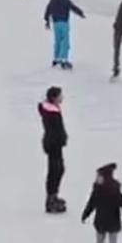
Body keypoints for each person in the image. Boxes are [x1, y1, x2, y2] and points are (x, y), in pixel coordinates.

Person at [39, 85, 68, 214]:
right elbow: (55, 130)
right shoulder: (52, 113)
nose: (62, 98)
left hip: (54, 144)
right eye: (60, 96)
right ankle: (51, 200)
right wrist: (62, 138)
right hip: (54, 144)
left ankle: (53, 195)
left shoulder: (52, 110)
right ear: (54, 98)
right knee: (55, 170)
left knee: (59, 169)